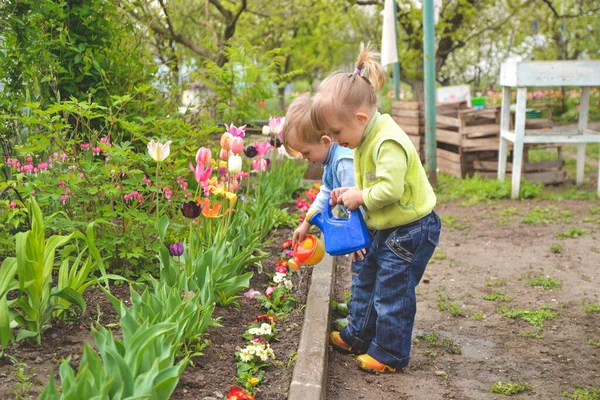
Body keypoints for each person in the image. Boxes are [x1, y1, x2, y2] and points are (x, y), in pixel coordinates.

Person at [311, 46, 441, 373]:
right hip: (389, 227)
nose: (336, 141)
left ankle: (390, 353)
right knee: (367, 278)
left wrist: (362, 196)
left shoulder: (387, 141)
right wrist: (353, 192)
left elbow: (390, 189)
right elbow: (371, 183)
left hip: (411, 230)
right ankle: (359, 334)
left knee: (391, 292)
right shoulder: (363, 137)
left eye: (337, 133)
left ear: (360, 118)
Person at [282, 96, 366, 257]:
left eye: (306, 152)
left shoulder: (343, 162)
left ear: (325, 141)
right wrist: (307, 223)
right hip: (363, 230)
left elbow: (359, 203)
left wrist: (356, 237)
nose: (304, 157)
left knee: (365, 274)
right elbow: (327, 191)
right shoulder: (330, 159)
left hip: (368, 231)